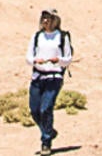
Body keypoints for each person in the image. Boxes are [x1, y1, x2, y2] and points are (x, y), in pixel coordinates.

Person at [26, 9, 75, 156]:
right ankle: (49, 131)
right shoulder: (36, 36)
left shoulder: (62, 37)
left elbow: (68, 58)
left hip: (54, 77)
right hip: (37, 77)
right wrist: (35, 60)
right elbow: (28, 57)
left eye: (48, 18)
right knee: (34, 110)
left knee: (46, 108)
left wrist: (58, 60)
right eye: (43, 18)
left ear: (55, 20)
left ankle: (46, 142)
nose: (45, 21)